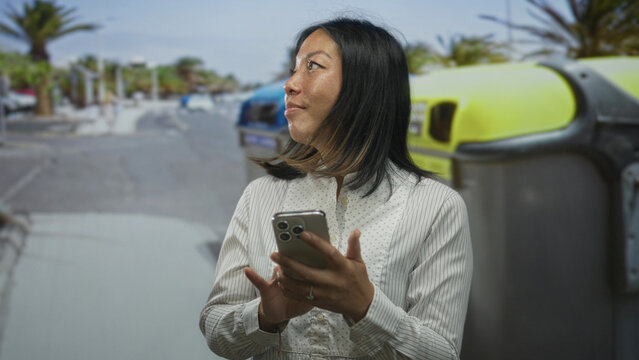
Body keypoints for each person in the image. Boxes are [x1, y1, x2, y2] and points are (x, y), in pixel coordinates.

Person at [200, 17, 472, 359]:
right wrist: (267, 315)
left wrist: (366, 307)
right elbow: (215, 329)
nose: (289, 83)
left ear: (365, 86)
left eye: (312, 66)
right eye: (294, 68)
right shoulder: (260, 196)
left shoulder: (436, 207)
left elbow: (443, 354)